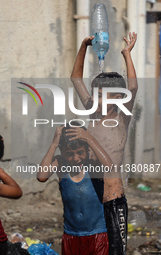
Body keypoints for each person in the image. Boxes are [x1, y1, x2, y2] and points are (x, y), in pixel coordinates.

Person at [70, 32, 137, 254]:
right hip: (89, 191)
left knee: (116, 250)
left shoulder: (121, 118)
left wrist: (126, 54)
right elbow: (75, 79)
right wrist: (83, 47)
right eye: (95, 95)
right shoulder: (93, 114)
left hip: (112, 197)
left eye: (102, 96)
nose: (95, 100)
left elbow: (134, 87)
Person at [37, 123, 112, 255]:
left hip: (97, 234)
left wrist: (89, 138)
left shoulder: (93, 166)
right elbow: (42, 176)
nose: (76, 158)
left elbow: (109, 167)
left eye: (80, 152)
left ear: (87, 149)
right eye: (70, 154)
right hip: (71, 235)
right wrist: (54, 143)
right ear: (62, 152)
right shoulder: (61, 165)